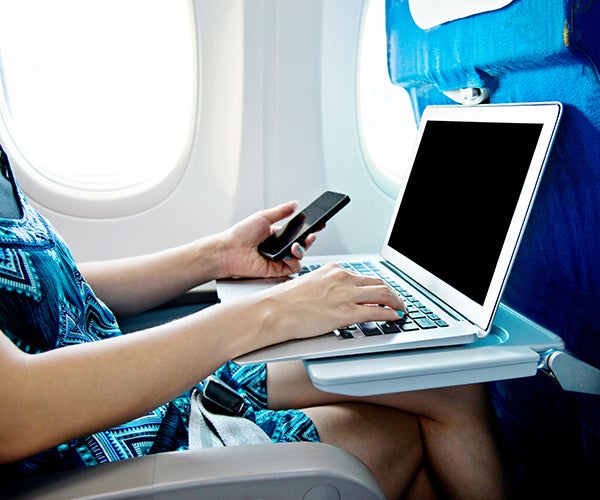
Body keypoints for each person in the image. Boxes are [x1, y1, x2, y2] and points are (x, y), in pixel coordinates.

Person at [0, 144, 509, 499]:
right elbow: (15, 411)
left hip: (135, 396)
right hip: (103, 454)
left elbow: (50, 293)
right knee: (397, 436)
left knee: (447, 380)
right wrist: (270, 314)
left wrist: (217, 256)